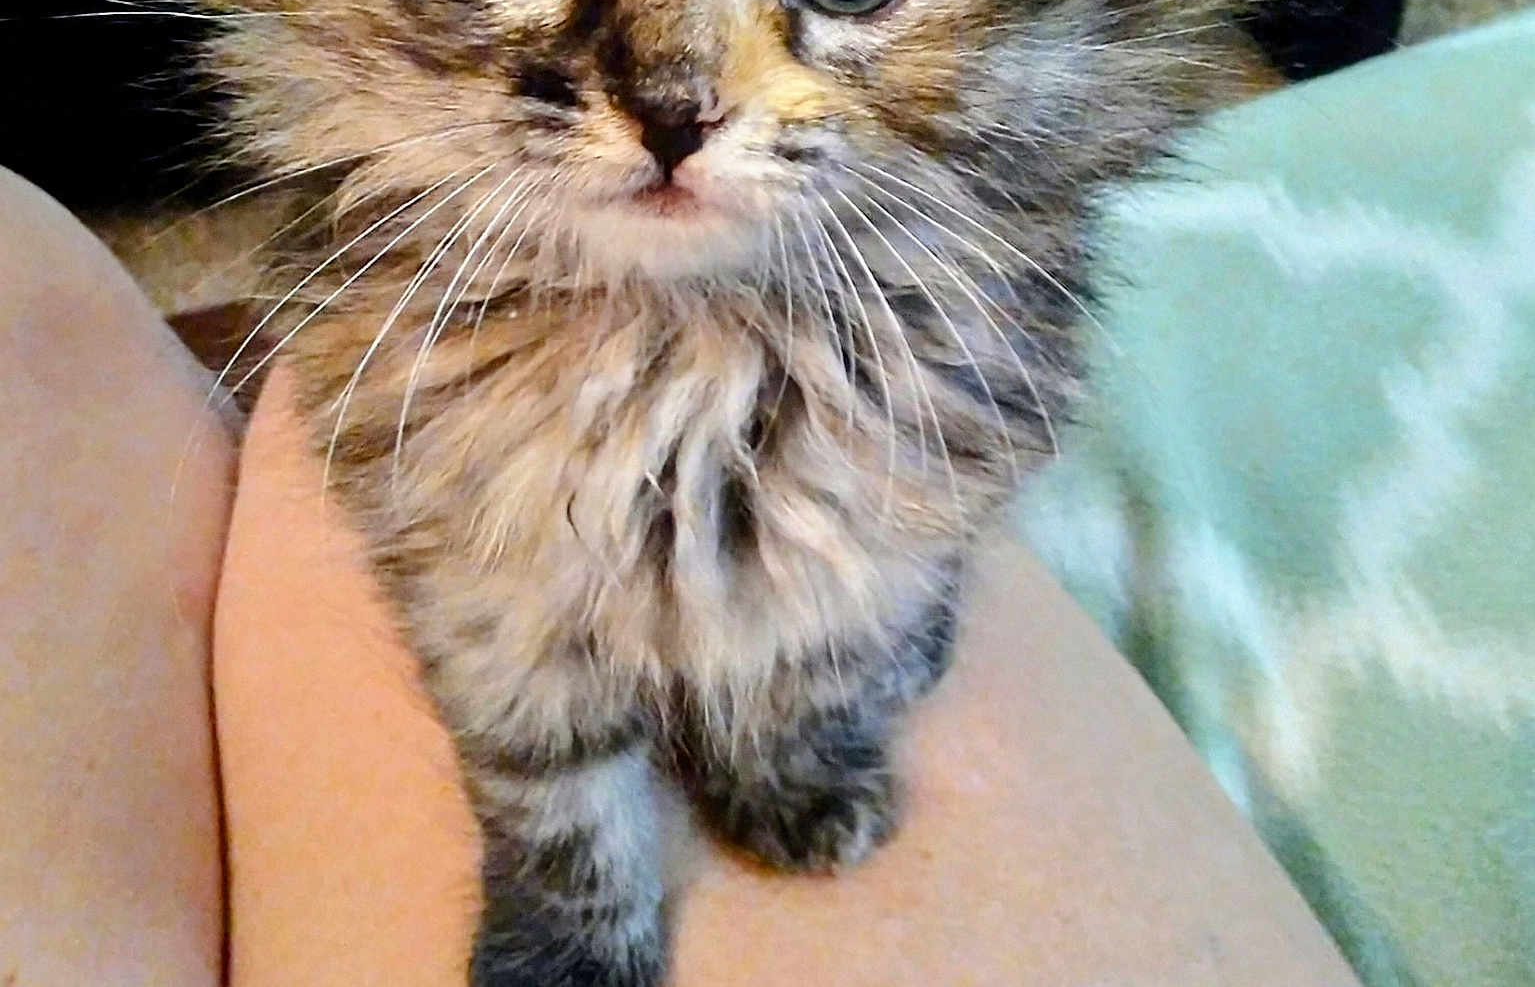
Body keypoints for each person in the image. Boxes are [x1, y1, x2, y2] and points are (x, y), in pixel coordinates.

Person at [0, 163, 1359, 986]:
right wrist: (575, 898)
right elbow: (500, 649)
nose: (674, 91)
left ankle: (789, 734)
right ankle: (585, 884)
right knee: (510, 630)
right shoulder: (409, 327)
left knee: (865, 619)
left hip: (897, 294)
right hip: (471, 296)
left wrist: (798, 731)